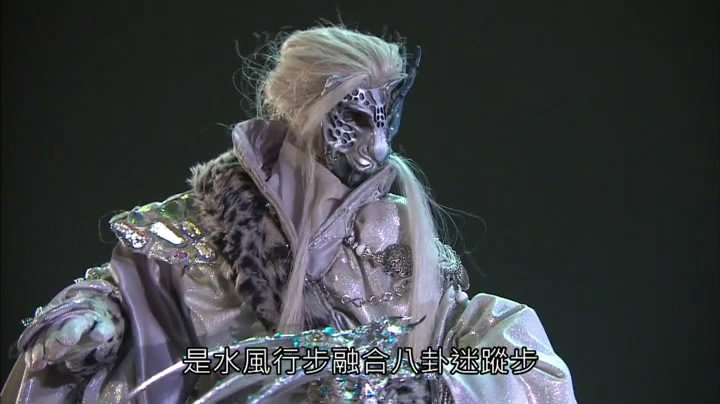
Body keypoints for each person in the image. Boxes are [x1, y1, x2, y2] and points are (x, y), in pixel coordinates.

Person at [1, 25, 577, 404]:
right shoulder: (195, 228)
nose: (377, 147)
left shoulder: (397, 233)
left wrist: (424, 388)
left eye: (387, 120)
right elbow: (130, 291)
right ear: (301, 112)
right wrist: (95, 312)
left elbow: (489, 348)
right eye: (355, 119)